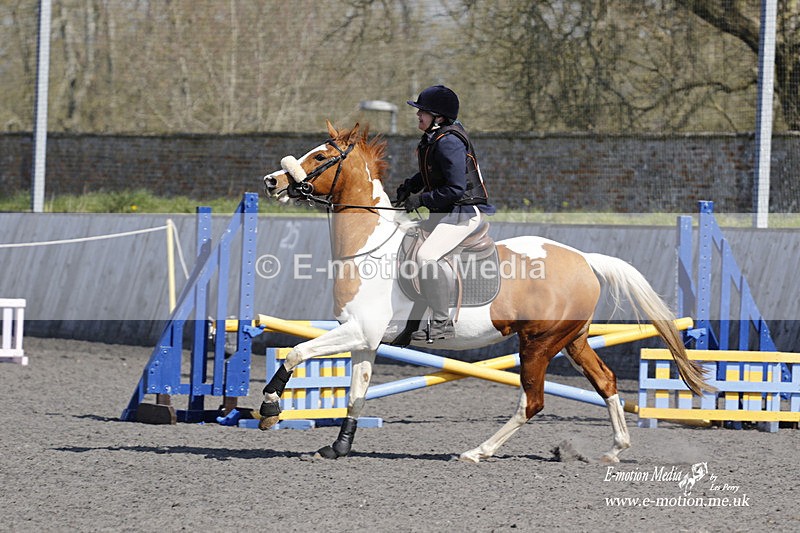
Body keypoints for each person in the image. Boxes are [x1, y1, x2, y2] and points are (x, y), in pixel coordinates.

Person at [395, 85, 496, 342]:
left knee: (426, 255)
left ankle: (442, 321)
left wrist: (421, 199)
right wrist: (409, 187)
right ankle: (413, 322)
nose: (418, 115)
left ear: (438, 117)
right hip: (446, 211)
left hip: (461, 213)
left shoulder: (449, 141)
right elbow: (431, 173)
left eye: (423, 112)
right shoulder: (435, 138)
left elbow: (455, 188)